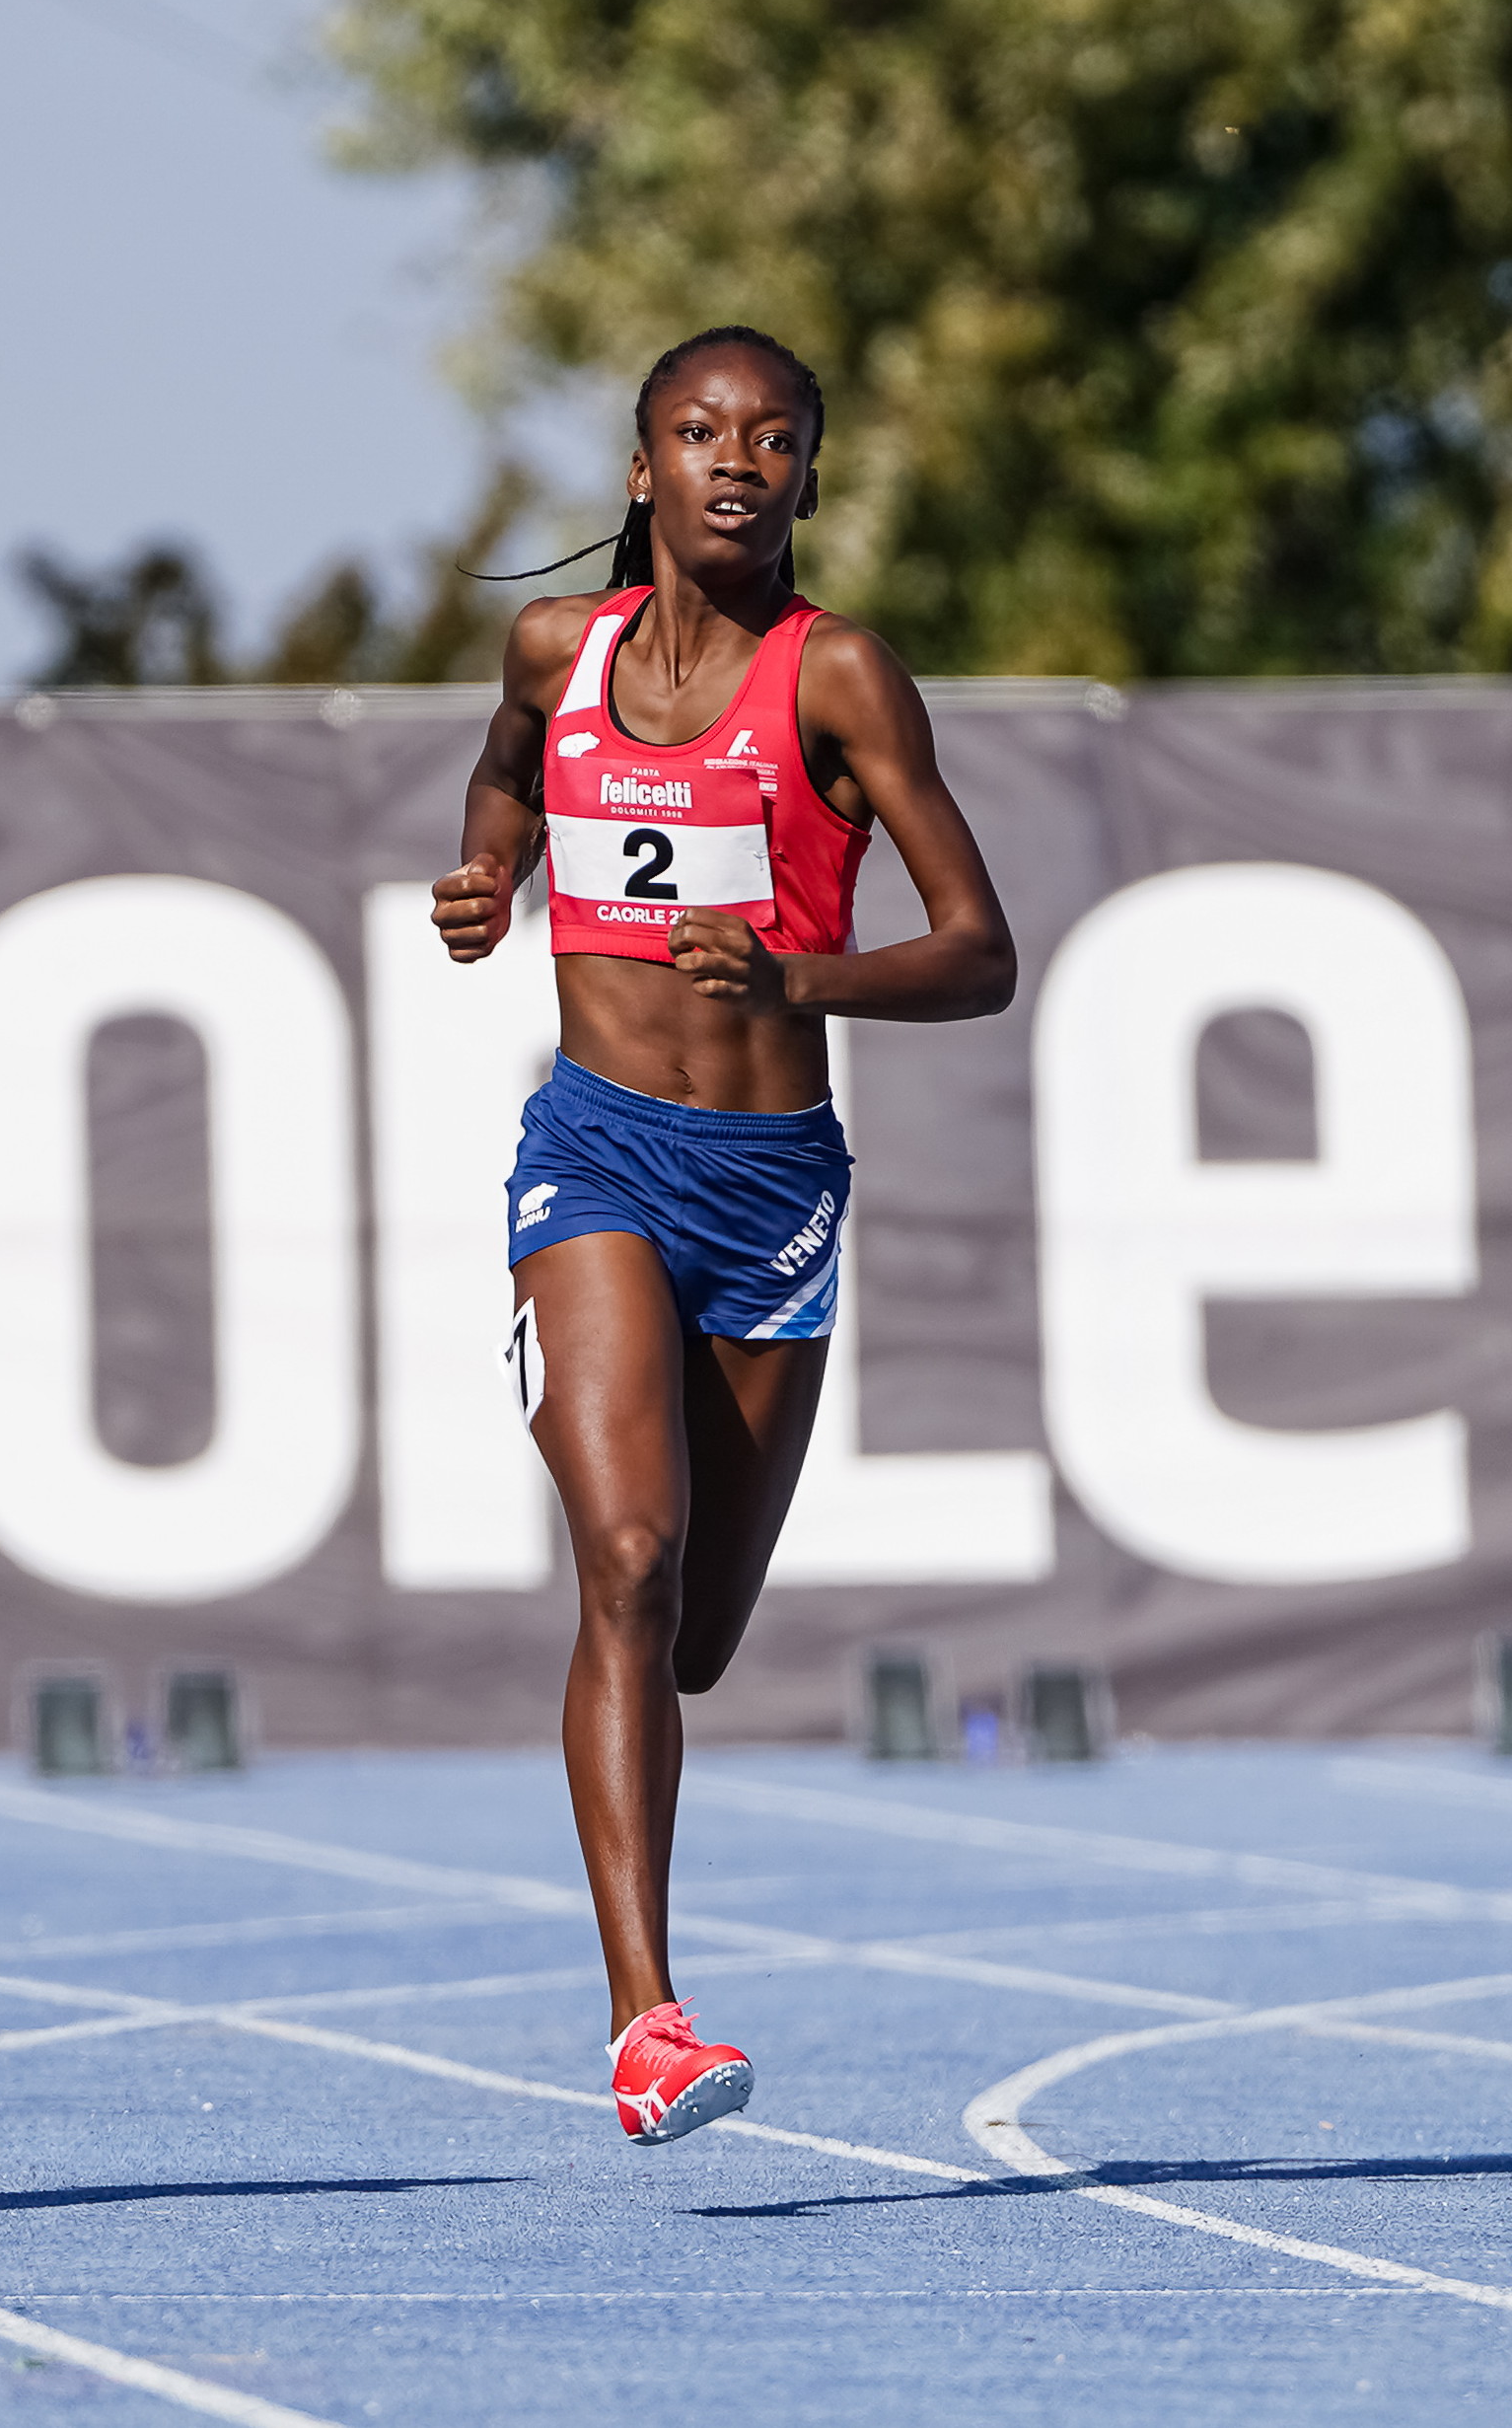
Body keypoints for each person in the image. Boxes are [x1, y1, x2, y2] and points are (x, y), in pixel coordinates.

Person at [430, 328, 1014, 2139]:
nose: (735, 460)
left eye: (774, 438)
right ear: (640, 470)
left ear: (809, 481)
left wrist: (796, 971)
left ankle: (649, 1894)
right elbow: (509, 769)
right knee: (625, 1552)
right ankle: (646, 2017)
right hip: (591, 1154)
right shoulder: (558, 646)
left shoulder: (834, 675)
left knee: (690, 1636)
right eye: (699, 431)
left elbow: (981, 949)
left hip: (771, 1187)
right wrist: (488, 874)